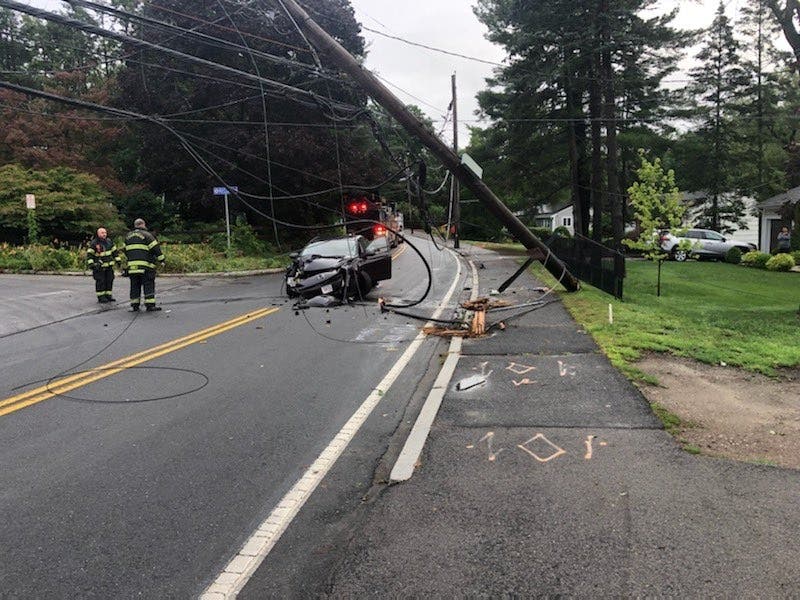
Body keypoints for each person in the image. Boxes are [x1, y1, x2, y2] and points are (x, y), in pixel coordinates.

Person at [123, 218, 165, 312]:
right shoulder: (148, 235)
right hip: (146, 266)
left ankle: (135, 305)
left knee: (134, 286)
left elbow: (125, 250)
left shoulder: (128, 236)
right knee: (148, 284)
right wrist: (162, 260)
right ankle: (150, 305)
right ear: (143, 225)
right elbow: (156, 249)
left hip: (132, 267)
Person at [86, 227, 120, 303]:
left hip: (109, 267)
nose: (104, 234)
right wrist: (92, 265)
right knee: (101, 282)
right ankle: (101, 296)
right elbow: (90, 255)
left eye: (105, 232)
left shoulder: (109, 242)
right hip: (99, 267)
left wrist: (118, 261)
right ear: (98, 234)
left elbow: (115, 252)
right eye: (102, 233)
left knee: (109, 281)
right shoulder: (94, 243)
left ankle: (108, 295)